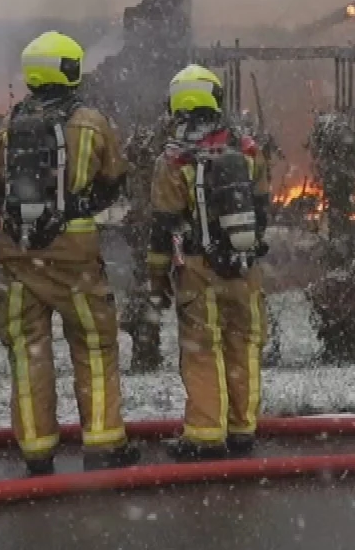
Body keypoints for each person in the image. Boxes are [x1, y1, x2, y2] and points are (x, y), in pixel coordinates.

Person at [0, 31, 140, 475]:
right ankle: (104, 443)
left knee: (28, 352)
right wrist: (82, 203)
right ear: (70, 70)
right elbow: (115, 175)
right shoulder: (91, 121)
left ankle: (36, 449)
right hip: (75, 258)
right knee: (95, 344)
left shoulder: (9, 125)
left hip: (17, 256)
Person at [147, 64, 271, 461]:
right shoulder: (248, 149)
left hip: (199, 269)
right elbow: (262, 208)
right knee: (244, 345)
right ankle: (242, 429)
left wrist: (157, 277)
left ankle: (204, 435)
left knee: (201, 350)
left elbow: (164, 226)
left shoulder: (173, 160)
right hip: (245, 266)